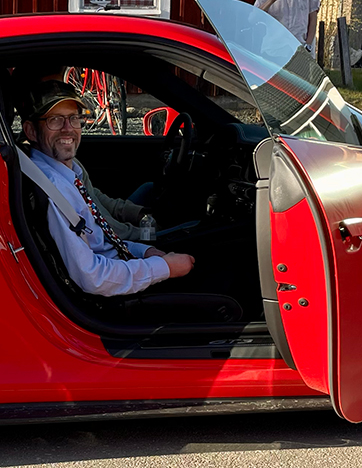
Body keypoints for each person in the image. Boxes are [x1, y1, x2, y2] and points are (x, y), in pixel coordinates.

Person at [22, 80, 241, 322]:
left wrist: (145, 250)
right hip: (111, 300)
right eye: (55, 120)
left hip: (122, 263)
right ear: (31, 131)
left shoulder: (67, 170)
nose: (68, 128)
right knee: (226, 264)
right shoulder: (54, 189)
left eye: (74, 118)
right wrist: (164, 267)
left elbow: (100, 234)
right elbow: (93, 277)